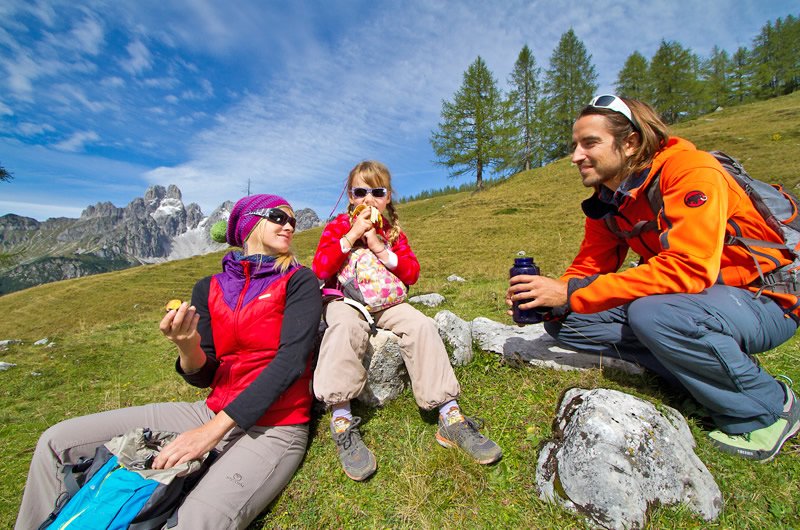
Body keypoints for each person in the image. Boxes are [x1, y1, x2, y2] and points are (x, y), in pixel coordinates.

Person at [507, 95, 800, 463]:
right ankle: (699, 379)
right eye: (575, 145)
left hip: (765, 298)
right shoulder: (609, 201)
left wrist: (570, 291)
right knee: (568, 322)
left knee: (654, 314)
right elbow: (589, 267)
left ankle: (766, 410)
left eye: (589, 143)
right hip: (694, 300)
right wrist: (551, 301)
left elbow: (690, 268)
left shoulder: (690, 171)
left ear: (630, 142)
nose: (576, 156)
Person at [15, 194, 323, 529]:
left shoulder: (299, 280)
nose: (289, 226)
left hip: (276, 425)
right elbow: (204, 376)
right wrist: (186, 345)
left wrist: (209, 433)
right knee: (57, 442)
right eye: (278, 216)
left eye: (293, 221)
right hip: (210, 411)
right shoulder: (209, 287)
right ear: (249, 223)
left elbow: (292, 362)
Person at [313, 160, 502, 481]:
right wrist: (351, 236)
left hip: (387, 303)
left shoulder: (392, 232)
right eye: (360, 192)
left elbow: (412, 273)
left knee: (421, 325)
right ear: (350, 197)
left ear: (388, 197)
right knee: (344, 327)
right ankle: (341, 418)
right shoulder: (337, 226)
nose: (369, 199)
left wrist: (379, 247)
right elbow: (320, 268)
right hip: (345, 300)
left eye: (378, 192)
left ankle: (449, 415)